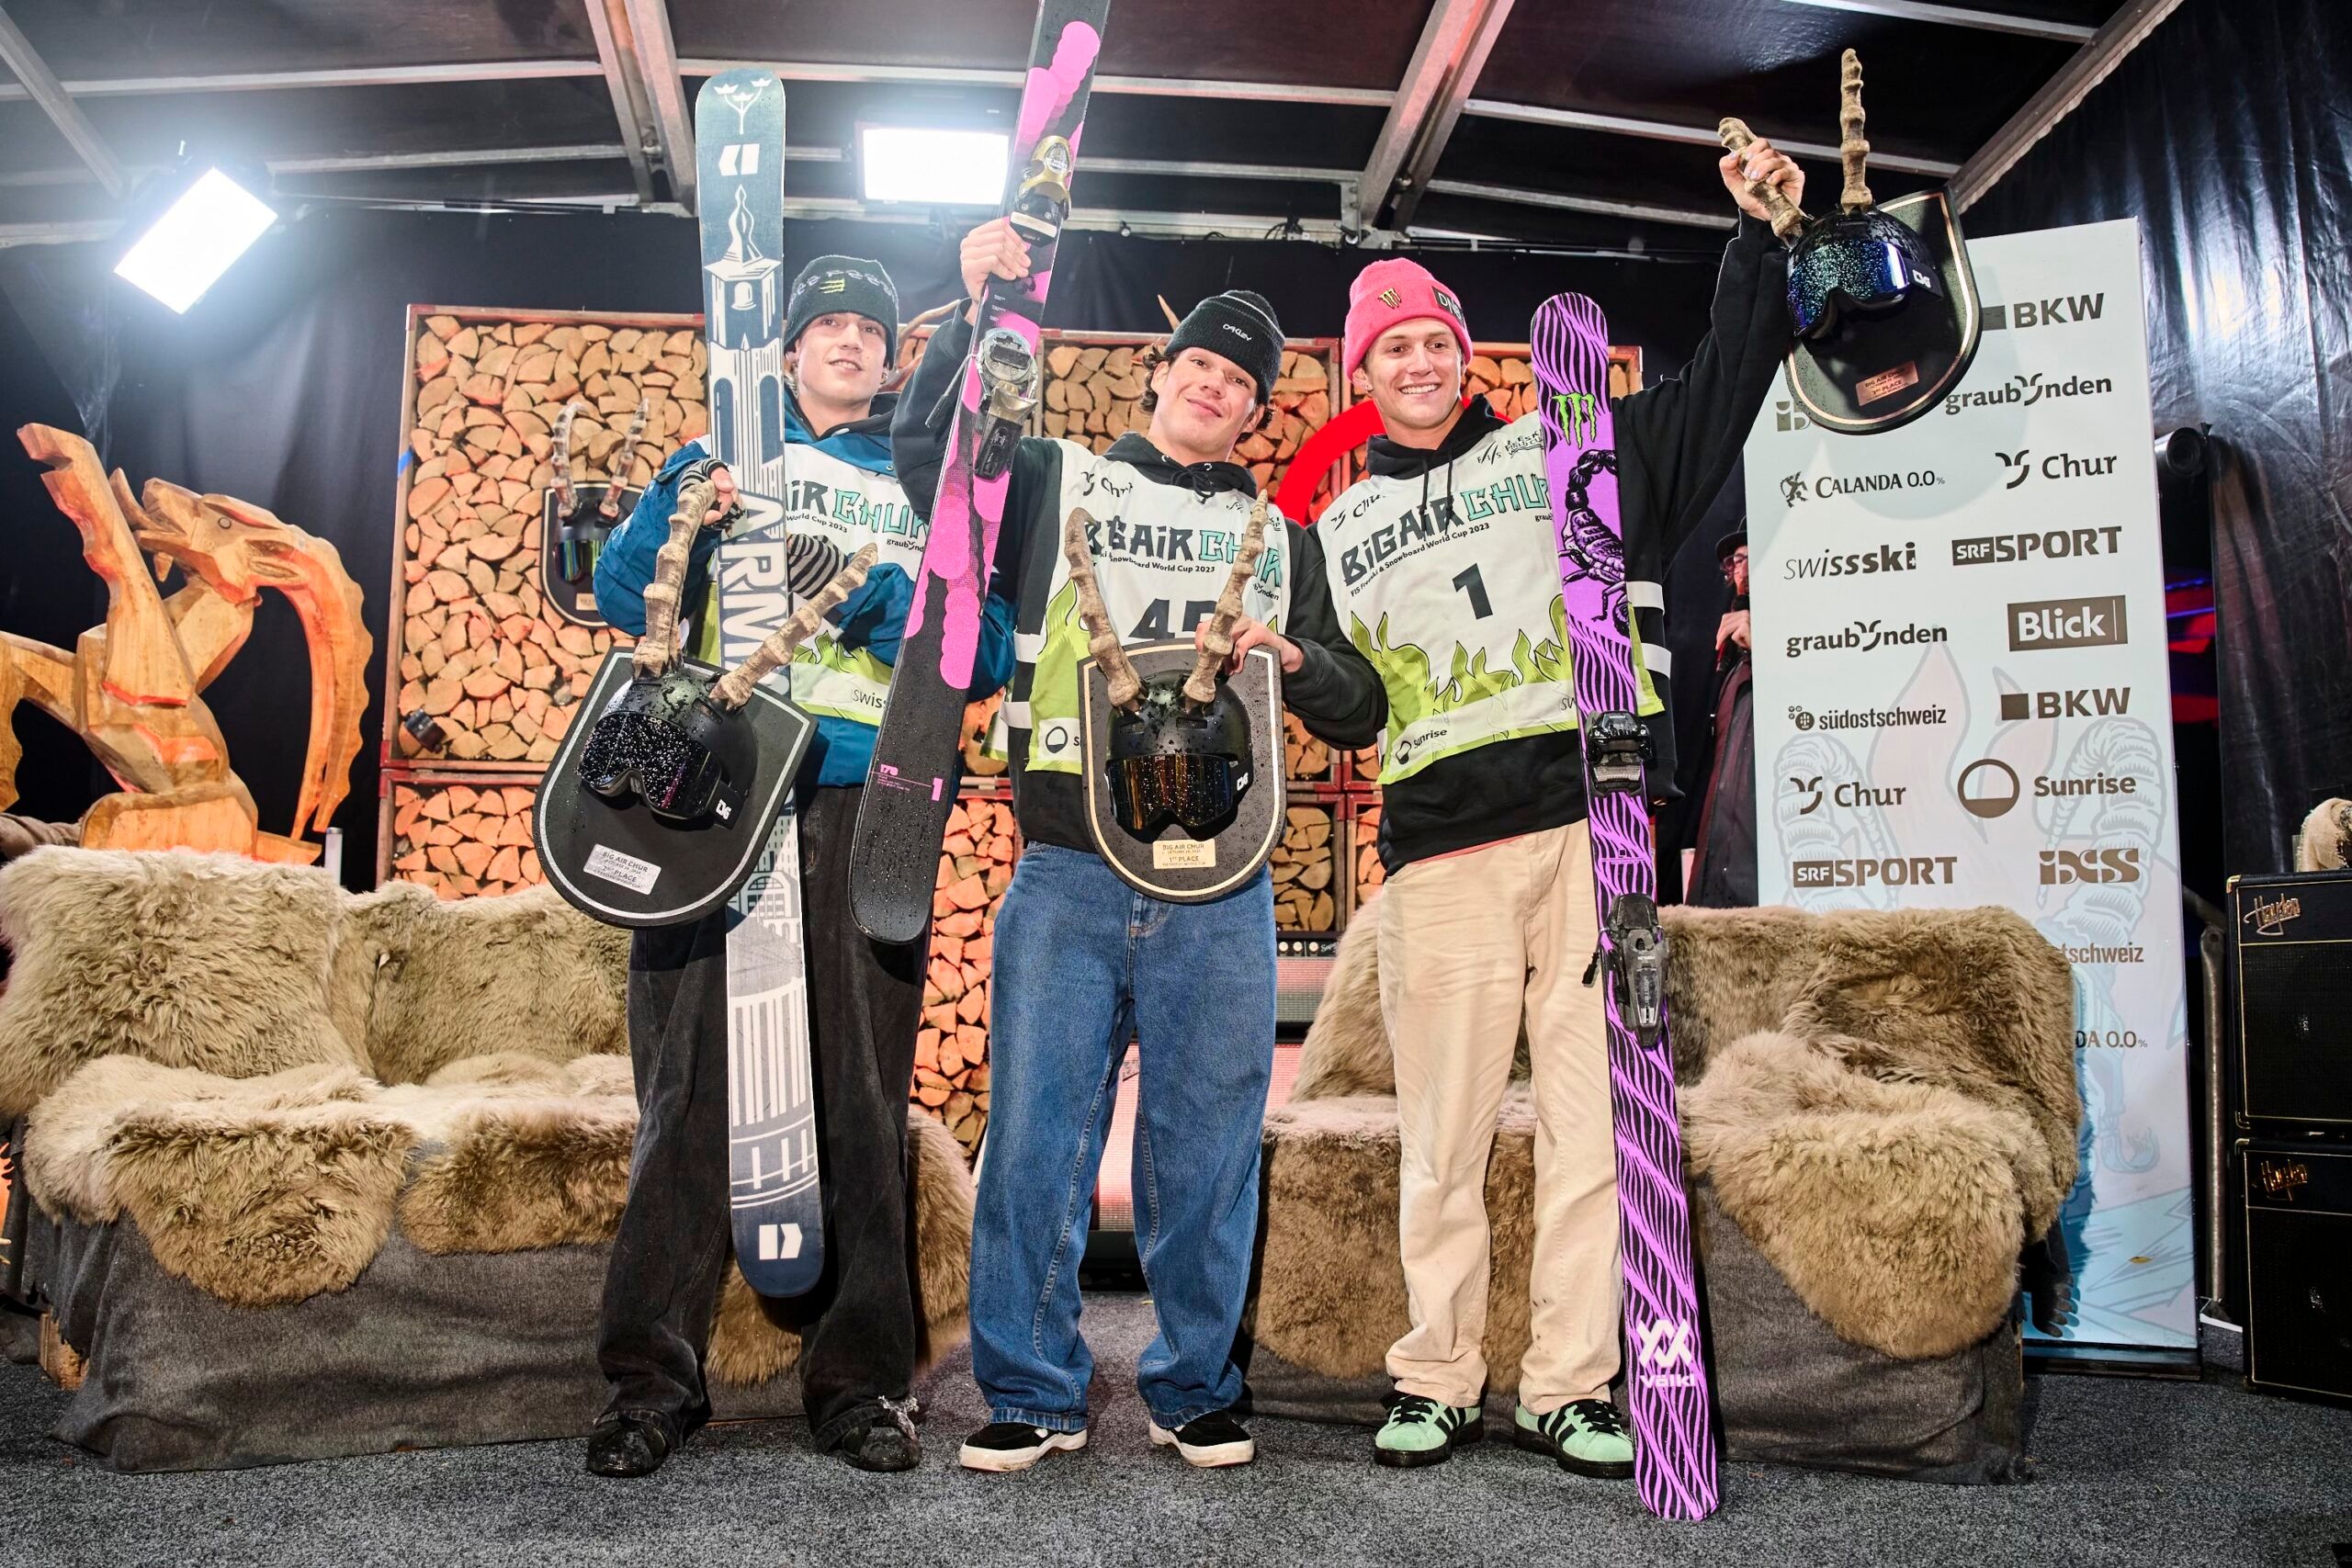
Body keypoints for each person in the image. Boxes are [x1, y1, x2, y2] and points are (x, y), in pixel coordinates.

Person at [1313, 141, 1803, 1476]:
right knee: (1444, 1132)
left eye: (1436, 339)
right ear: (1361, 376)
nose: (1419, 361)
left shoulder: (1567, 446)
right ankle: (1436, 1373)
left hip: (1596, 834)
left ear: (1463, 354)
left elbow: (1718, 395)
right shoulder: (1335, 530)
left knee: (1596, 1123)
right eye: (1393, 348)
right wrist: (1294, 664)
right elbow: (1345, 704)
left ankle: (1570, 1383)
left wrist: (1754, 245)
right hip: (1440, 857)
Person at [894, 219, 1385, 1474]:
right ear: (1159, 372)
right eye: (1199, 363)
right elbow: (930, 461)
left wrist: (1298, 656)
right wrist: (971, 315)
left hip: (1223, 874)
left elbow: (1358, 703)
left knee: (1207, 1143)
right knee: (1036, 1135)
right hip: (1068, 858)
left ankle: (1196, 1383)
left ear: (1255, 414)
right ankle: (1030, 1387)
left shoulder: (1283, 537)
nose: (1213, 385)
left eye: (1239, 380)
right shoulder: (1056, 476)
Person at [584, 256, 1015, 1477]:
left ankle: (860, 1382)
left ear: (890, 361)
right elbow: (618, 593)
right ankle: (649, 1380)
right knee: (685, 1088)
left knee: (862, 1092)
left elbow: (985, 650)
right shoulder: (719, 457)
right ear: (783, 352)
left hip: (865, 802)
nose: (849, 341)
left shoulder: (926, 483)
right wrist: (682, 510)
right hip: (710, 791)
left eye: (869, 330)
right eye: (826, 324)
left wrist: (890, 604)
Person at [1686, 526, 1758, 908]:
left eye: (1748, 558)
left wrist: (1766, 645)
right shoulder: (1734, 658)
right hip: (1724, 852)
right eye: (1735, 562)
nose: (1740, 570)